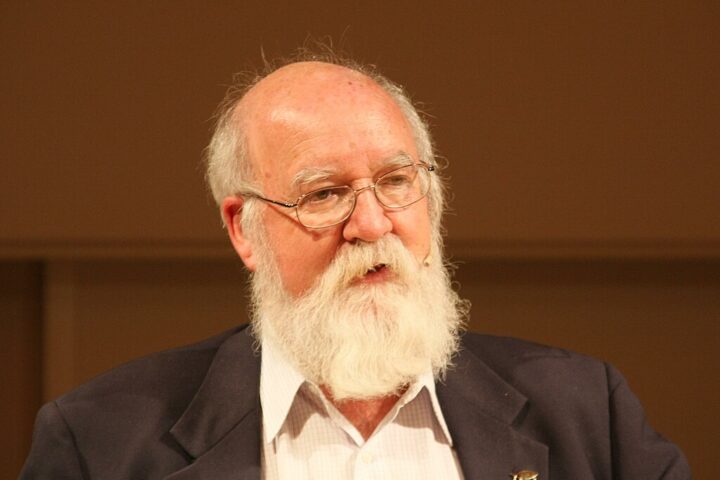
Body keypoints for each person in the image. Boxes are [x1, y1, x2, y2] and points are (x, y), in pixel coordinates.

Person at [21, 50, 690, 479]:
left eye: (397, 182)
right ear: (243, 229)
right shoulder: (100, 444)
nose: (371, 225)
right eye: (325, 194)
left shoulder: (587, 418)